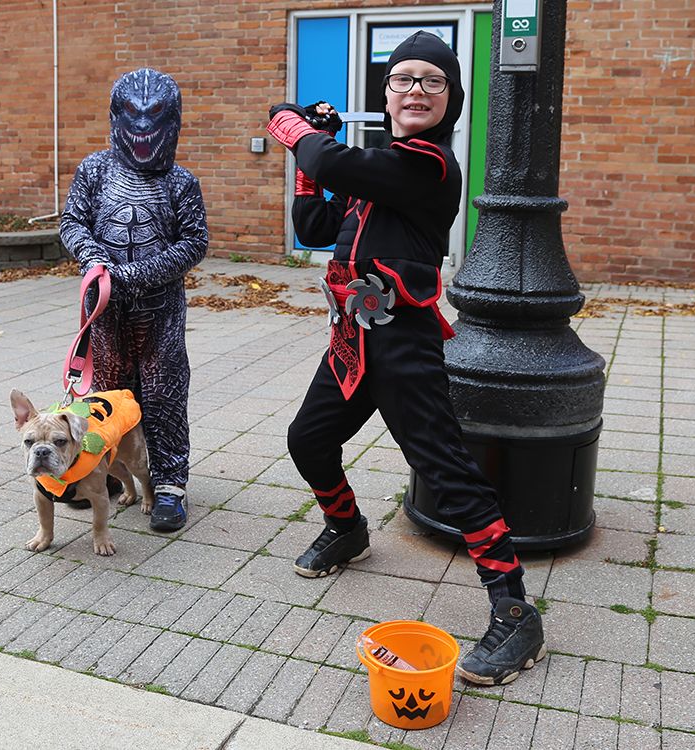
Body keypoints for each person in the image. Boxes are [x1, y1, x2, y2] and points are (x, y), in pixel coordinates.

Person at [266, 31, 545, 686]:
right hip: (355, 335)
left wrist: (293, 126)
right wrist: (311, 151)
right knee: (307, 439)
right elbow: (312, 225)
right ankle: (347, 529)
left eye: (432, 81)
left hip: (404, 341)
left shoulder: (428, 167)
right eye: (403, 78)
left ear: (450, 100)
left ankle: (515, 611)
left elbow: (333, 164)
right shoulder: (380, 167)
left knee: (443, 469)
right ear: (386, 92)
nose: (416, 89)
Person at [61, 68, 208, 532]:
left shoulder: (180, 182)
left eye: (155, 117)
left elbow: (193, 242)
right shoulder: (95, 170)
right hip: (105, 313)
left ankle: (168, 484)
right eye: (133, 116)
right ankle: (99, 474)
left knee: (163, 396)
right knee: (105, 399)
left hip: (158, 313)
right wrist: (93, 258)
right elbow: (73, 223)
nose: (143, 129)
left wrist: (134, 275)